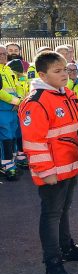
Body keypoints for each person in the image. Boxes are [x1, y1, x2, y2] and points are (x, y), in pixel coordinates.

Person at [19, 51, 78, 274]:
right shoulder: (36, 101)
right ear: (43, 75)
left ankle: (67, 248)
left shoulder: (66, 94)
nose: (64, 74)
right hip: (53, 171)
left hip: (70, 166)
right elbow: (34, 142)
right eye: (57, 71)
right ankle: (52, 263)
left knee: (64, 209)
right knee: (51, 215)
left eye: (65, 69)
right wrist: (45, 171)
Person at [0, 44, 22, 180]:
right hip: (3, 108)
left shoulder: (9, 69)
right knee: (5, 137)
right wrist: (15, 101)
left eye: (4, 54)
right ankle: (6, 165)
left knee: (13, 135)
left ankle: (12, 163)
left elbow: (18, 85)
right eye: (0, 54)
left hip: (13, 108)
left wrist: (19, 99)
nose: (3, 56)